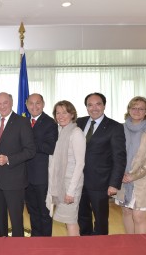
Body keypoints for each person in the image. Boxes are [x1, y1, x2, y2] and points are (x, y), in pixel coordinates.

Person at [0, 92, 36, 237]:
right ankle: (1, 247)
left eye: (5, 102)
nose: (2, 106)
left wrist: (8, 159)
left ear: (12, 103)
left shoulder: (22, 122)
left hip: (15, 180)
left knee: (16, 220)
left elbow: (30, 151)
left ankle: (17, 248)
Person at [77, 92, 126, 235]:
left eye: (98, 104)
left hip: (101, 182)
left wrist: (114, 183)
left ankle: (101, 247)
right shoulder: (79, 122)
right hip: (79, 181)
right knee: (82, 216)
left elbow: (119, 157)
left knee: (101, 219)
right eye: (90, 105)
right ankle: (86, 244)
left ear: (104, 105)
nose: (94, 108)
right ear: (86, 107)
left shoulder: (114, 127)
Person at [115, 96, 146, 234]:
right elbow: (114, 153)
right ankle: (131, 246)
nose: (137, 111)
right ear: (129, 109)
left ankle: (141, 249)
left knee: (138, 216)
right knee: (126, 212)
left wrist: (133, 176)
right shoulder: (119, 128)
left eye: (141, 108)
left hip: (142, 179)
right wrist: (119, 174)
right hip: (122, 178)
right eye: (134, 107)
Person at [46, 100, 86, 236]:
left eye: (65, 112)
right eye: (58, 113)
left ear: (72, 114)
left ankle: (76, 249)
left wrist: (71, 191)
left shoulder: (76, 133)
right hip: (60, 182)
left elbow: (80, 164)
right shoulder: (60, 132)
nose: (61, 116)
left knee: (71, 220)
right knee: (68, 221)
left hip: (70, 185)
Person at [25, 93, 58, 237]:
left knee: (44, 213)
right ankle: (35, 241)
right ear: (26, 105)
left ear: (43, 104)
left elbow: (50, 147)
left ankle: (46, 244)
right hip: (25, 176)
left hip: (42, 177)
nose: (34, 106)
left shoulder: (50, 123)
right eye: (31, 103)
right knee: (32, 211)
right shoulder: (24, 122)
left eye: (37, 103)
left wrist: (28, 143)